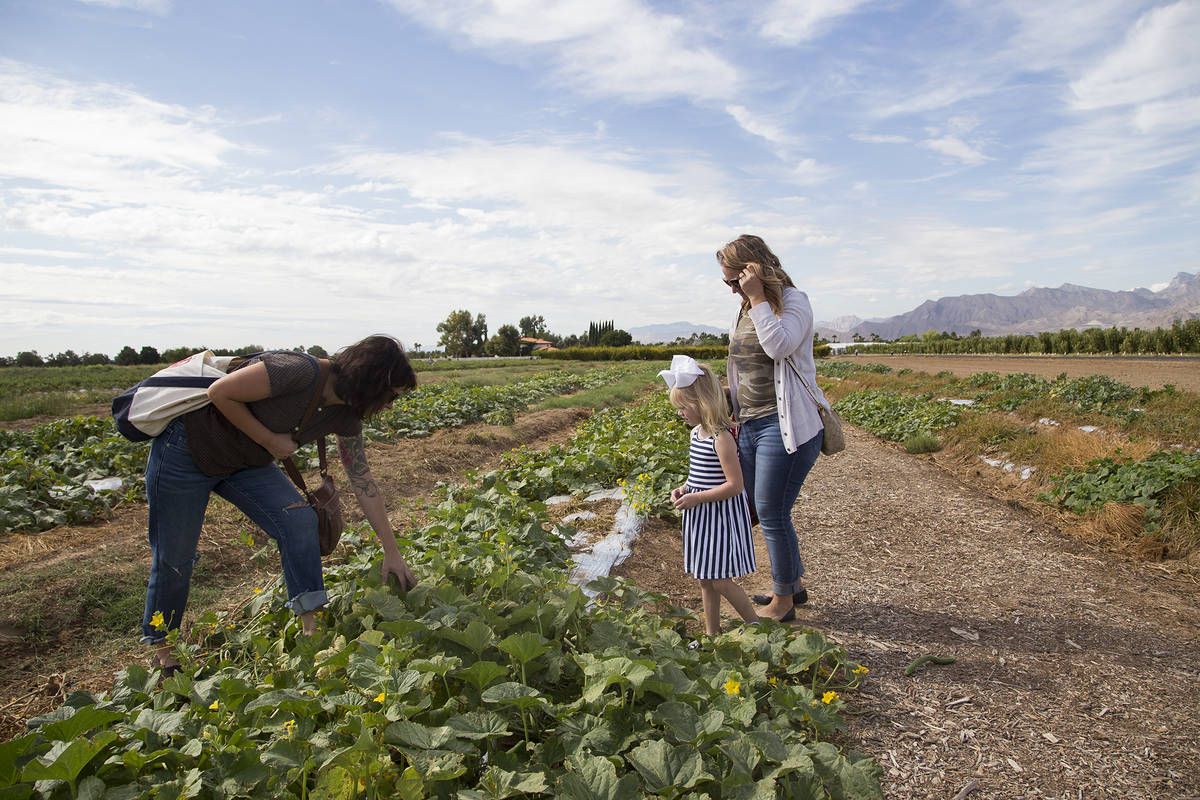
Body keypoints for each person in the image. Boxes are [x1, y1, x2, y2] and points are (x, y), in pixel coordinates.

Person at [141, 334, 418, 674]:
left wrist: (392, 551)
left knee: (299, 521)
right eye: (391, 395)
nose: (390, 405)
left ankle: (311, 632)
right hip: (186, 449)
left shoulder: (346, 416)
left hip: (244, 462)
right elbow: (220, 392)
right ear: (372, 381)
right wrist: (270, 440)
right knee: (175, 557)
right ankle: (165, 653)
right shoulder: (298, 371)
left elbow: (363, 481)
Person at [719, 235, 830, 623]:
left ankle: (782, 603)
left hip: (783, 427)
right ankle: (792, 584)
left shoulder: (793, 302)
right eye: (728, 284)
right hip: (750, 423)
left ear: (754, 269)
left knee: (770, 510)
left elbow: (779, 347)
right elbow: (746, 367)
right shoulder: (745, 309)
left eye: (736, 280)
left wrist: (760, 298)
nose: (733, 289)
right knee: (772, 509)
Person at [660, 355, 760, 636]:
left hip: (719, 516)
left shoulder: (721, 437)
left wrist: (697, 498)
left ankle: (755, 624)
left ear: (701, 400)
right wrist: (684, 488)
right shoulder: (696, 434)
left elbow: (735, 486)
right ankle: (711, 635)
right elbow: (698, 476)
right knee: (705, 578)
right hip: (701, 516)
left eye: (683, 407)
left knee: (720, 580)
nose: (681, 413)